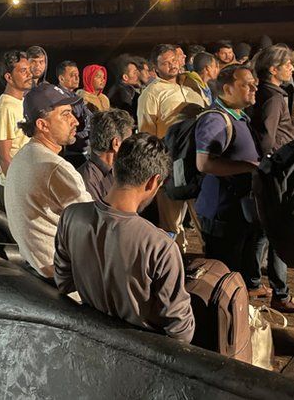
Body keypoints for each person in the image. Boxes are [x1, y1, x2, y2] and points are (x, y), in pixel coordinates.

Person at [55, 133, 194, 343]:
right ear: (154, 182)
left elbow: (64, 283)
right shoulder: (160, 246)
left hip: (88, 340)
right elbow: (181, 332)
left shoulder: (71, 216)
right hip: (139, 354)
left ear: (116, 166)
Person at [246, 46, 294, 313]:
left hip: (271, 171)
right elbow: (267, 138)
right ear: (273, 70)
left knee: (263, 232)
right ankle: (281, 293)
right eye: (286, 64)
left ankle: (253, 282)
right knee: (279, 233)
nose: (291, 67)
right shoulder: (274, 98)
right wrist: (275, 164)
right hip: (278, 172)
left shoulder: (267, 93)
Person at [4, 83, 93, 278]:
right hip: (66, 280)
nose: (75, 121)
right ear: (42, 125)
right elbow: (96, 227)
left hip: (38, 269)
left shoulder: (23, 156)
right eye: (65, 115)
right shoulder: (54, 167)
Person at [193, 65, 261, 287]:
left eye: (254, 83)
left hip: (237, 212)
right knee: (223, 275)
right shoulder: (215, 120)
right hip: (221, 213)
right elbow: (204, 163)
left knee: (237, 271)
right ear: (227, 89)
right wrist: (248, 167)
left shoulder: (239, 116)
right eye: (246, 84)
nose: (254, 87)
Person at [137, 44, 207, 250]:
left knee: (203, 217)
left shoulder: (190, 86)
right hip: (170, 163)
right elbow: (146, 133)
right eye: (166, 62)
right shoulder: (151, 93)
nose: (173, 65)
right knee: (171, 222)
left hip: (197, 161)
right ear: (155, 68)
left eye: (174, 60)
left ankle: (213, 264)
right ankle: (175, 261)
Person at [0, 50, 32, 197]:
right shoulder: (5, 107)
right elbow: (3, 155)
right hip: (15, 187)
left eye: (29, 70)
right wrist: (17, 188)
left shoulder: (21, 102)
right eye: (23, 71)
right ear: (9, 77)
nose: (29, 75)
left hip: (27, 181)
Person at [77, 109, 135, 203]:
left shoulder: (122, 170)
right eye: (129, 141)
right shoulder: (86, 181)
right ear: (116, 144)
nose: (133, 147)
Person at [57, 60, 93, 167]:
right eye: (73, 75)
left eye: (78, 75)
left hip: (82, 146)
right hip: (70, 152)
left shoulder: (76, 98)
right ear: (61, 78)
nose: (77, 78)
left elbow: (90, 118)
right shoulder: (58, 99)